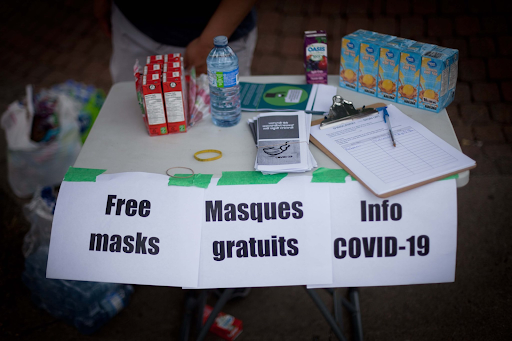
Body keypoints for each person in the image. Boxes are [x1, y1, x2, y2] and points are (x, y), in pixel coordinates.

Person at [94, 0, 258, 83]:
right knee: (133, 121)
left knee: (220, 126)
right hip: (133, 27)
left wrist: (209, 44)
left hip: (216, 41)